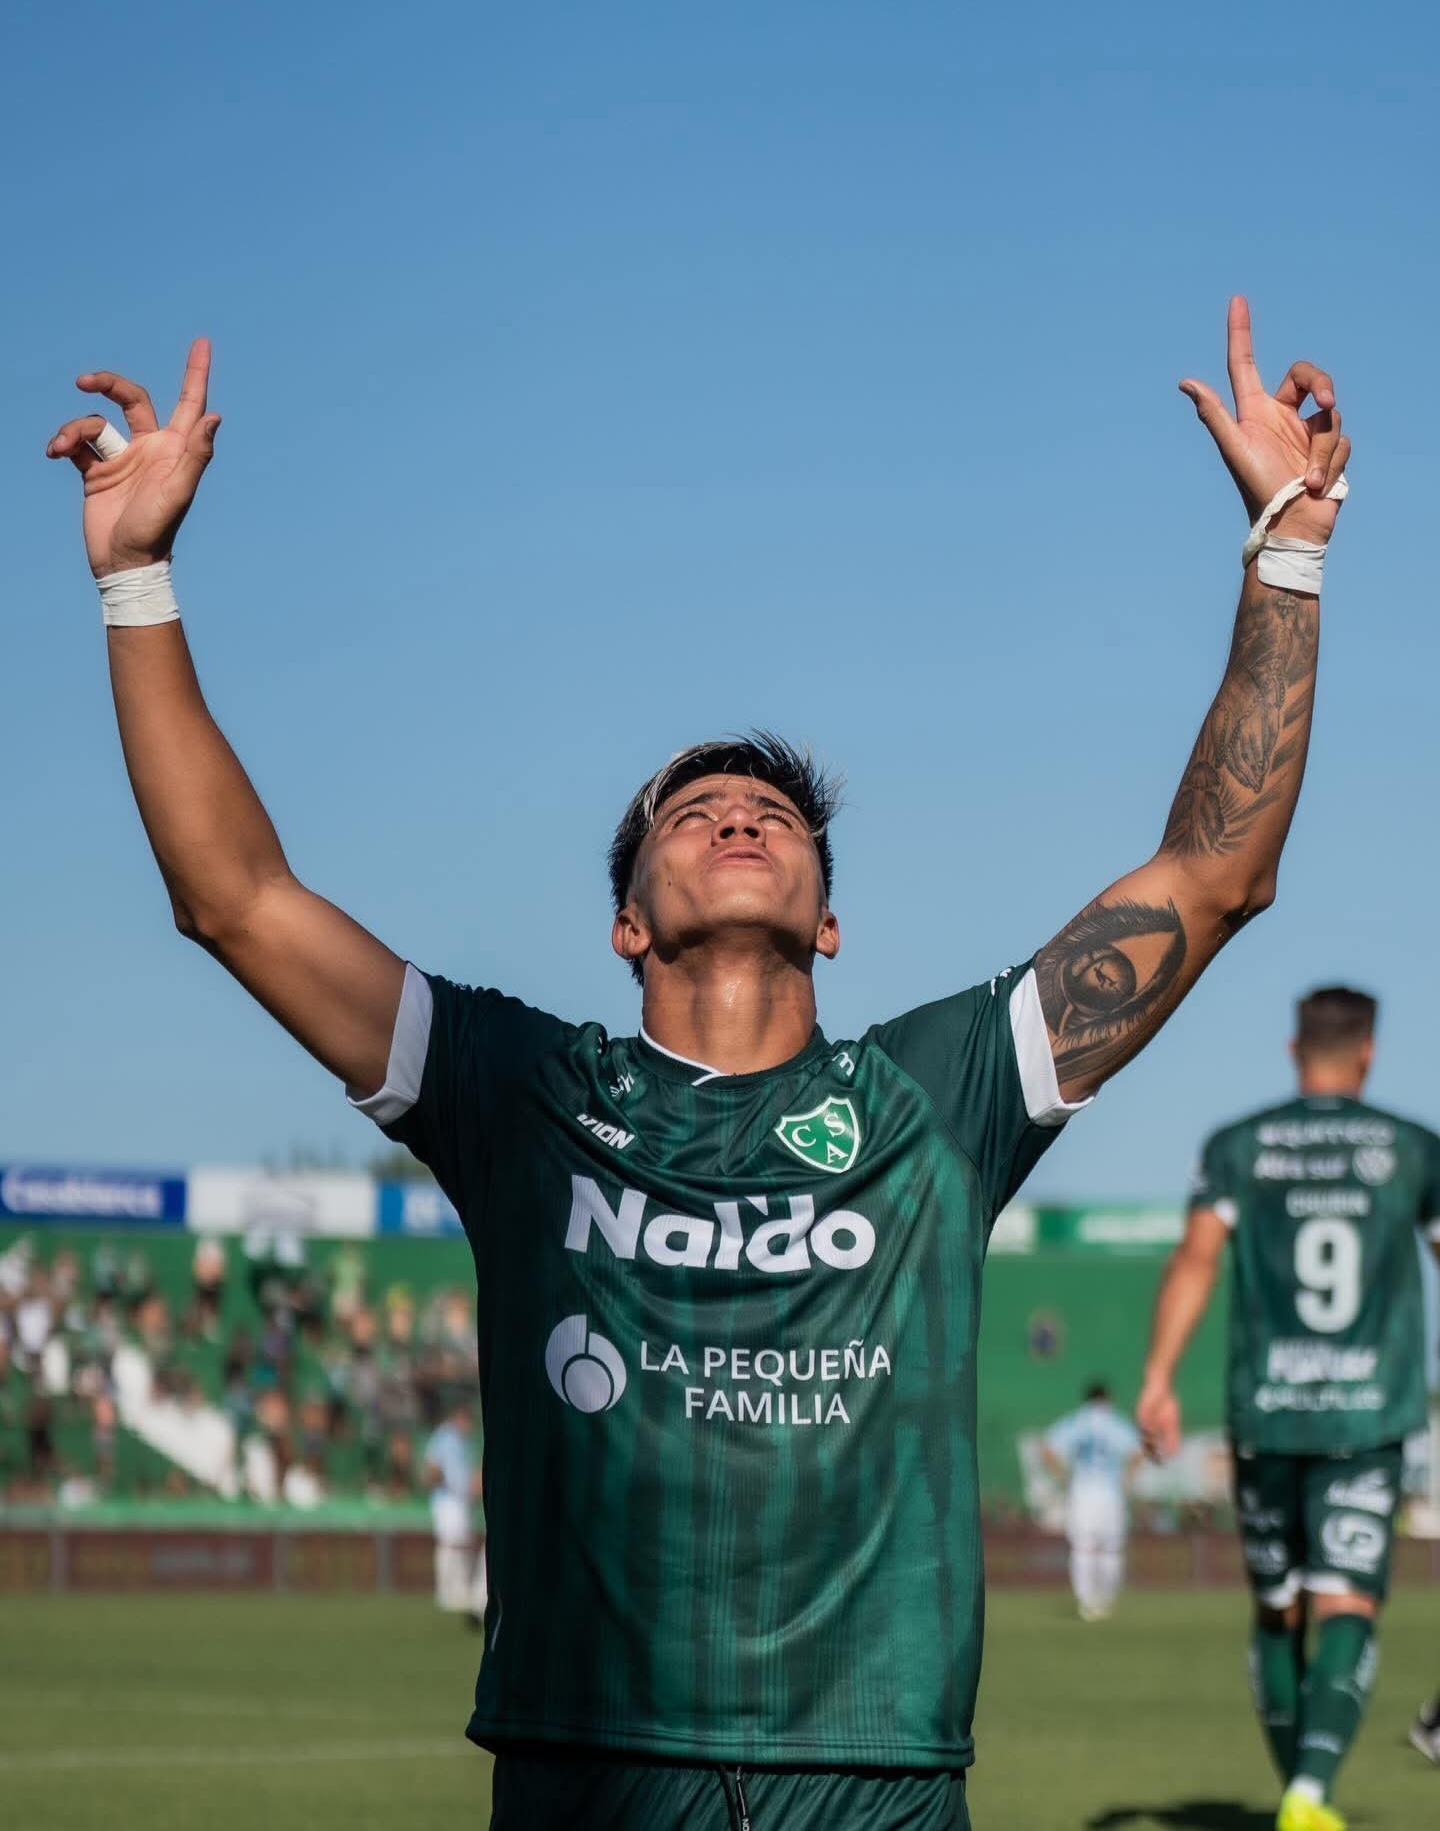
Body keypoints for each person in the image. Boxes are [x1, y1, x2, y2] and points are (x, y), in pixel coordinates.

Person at [46, 298, 1349, 1831]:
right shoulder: (523, 1094)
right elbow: (237, 899)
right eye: (692, 811)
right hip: (589, 1772)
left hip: (875, 1780)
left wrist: (1287, 546)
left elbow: (1214, 874)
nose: (738, 813)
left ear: (831, 921)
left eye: (775, 815)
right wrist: (136, 581)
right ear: (625, 921)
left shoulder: (937, 1096)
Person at [1137, 987, 1440, 1831]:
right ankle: (1310, 1792)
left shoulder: (1239, 1146)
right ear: (1369, 1052)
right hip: (1367, 1417)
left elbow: (1195, 1261)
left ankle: (1300, 1794)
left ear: (1294, 1049)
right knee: (1348, 1602)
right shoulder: (1414, 1149)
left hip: (1266, 1413)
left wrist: (1158, 1378)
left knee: (1278, 1608)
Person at [1038, 1382, 1143, 1621]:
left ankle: (1086, 1602)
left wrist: (1064, 1478)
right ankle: (1105, 1601)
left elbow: (1047, 1450)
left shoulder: (1078, 1421)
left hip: (1082, 1491)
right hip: (1110, 1492)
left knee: (1083, 1547)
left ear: (1087, 1400)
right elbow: (1137, 1453)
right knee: (1112, 1549)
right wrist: (1126, 1479)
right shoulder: (1115, 1421)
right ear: (1108, 1399)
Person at [423, 1399, 487, 1629]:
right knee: (451, 1543)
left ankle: (458, 1589)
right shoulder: (445, 1436)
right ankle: (447, 1590)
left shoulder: (460, 1441)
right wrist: (444, 1484)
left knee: (460, 1543)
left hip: (460, 1499)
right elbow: (432, 1466)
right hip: (448, 1499)